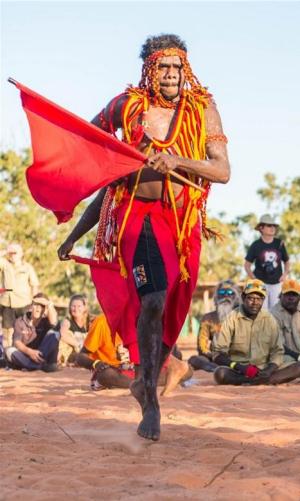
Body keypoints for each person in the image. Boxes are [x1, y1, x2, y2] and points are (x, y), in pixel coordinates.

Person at [56, 34, 230, 441]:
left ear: (185, 69)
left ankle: (149, 376)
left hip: (181, 222)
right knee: (151, 299)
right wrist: (77, 232)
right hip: (135, 218)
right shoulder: (126, 106)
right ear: (149, 69)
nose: (170, 76)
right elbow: (93, 149)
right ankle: (149, 398)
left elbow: (221, 171)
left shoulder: (202, 107)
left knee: (170, 306)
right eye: (163, 67)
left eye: (176, 68)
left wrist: (176, 160)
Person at [212, 279, 300, 385]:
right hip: (240, 370)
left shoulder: (269, 319)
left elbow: (278, 351)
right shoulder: (231, 318)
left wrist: (268, 370)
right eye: (250, 298)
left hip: (265, 369)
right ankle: (256, 381)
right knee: (220, 373)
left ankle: (256, 381)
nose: (255, 302)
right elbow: (218, 354)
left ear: (263, 299)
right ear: (243, 297)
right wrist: (240, 367)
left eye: (259, 298)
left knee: (299, 367)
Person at [77, 315, 192, 392]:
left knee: (188, 371)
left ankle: (145, 382)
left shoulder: (138, 318)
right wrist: (97, 363)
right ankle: (149, 383)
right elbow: (80, 357)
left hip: (136, 370)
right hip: (114, 371)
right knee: (105, 375)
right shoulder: (102, 322)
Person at [188, 280, 241, 372]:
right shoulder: (208, 318)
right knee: (194, 360)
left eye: (230, 292)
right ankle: (217, 369)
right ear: (216, 297)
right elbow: (202, 347)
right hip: (214, 359)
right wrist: (214, 356)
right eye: (222, 292)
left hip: (238, 358)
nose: (226, 295)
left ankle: (225, 369)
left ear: (236, 297)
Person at [244, 214, 290, 310]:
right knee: (261, 312)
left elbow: (287, 261)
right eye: (269, 226)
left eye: (274, 226)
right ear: (261, 228)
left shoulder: (279, 243)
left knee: (276, 311)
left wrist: (285, 274)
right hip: (261, 285)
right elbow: (247, 265)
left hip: (277, 284)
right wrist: (254, 279)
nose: (272, 228)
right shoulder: (255, 245)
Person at [6, 293, 60, 372]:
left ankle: (32, 366)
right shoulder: (20, 321)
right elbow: (16, 342)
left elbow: (54, 324)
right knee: (9, 351)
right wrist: (30, 352)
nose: (38, 308)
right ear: (31, 306)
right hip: (26, 355)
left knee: (55, 333)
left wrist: (49, 305)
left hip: (42, 356)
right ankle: (37, 366)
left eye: (42, 306)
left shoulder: (47, 320)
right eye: (36, 305)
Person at [0, 243, 40, 350]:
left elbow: (34, 285)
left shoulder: (28, 267)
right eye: (11, 252)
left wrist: (34, 303)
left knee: (24, 330)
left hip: (24, 304)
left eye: (15, 252)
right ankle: (7, 355)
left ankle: (22, 354)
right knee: (7, 331)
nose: (12, 255)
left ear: (21, 254)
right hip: (7, 303)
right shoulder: (4, 264)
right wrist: (4, 252)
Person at [270, 279, 300, 363]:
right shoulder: (273, 314)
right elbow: (278, 345)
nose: (291, 298)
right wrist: (299, 357)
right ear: (280, 296)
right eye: (287, 294)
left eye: (294, 295)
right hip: (284, 357)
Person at [58, 294, 92, 366]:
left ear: (84, 308)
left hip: (90, 349)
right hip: (76, 350)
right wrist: (78, 345)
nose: (76, 309)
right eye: (73, 306)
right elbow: (62, 334)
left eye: (79, 306)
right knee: (67, 335)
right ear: (70, 308)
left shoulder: (91, 320)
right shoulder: (67, 321)